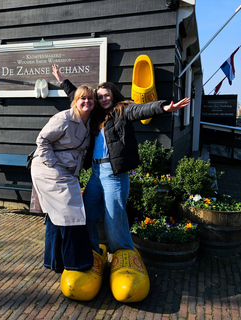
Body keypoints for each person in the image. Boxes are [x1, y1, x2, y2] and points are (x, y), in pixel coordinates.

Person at [52, 64, 190, 302]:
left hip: (113, 172)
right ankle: (93, 252)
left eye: (106, 95)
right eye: (99, 96)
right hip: (95, 171)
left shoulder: (121, 111)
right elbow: (77, 96)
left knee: (114, 213)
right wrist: (62, 80)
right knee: (88, 212)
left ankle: (123, 255)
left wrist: (165, 106)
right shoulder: (96, 115)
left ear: (113, 95)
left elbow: (142, 110)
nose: (102, 98)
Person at [29, 84, 100, 275]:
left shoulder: (88, 121)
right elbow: (42, 140)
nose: (86, 101)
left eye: (90, 98)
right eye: (82, 98)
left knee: (56, 215)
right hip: (48, 168)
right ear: (75, 102)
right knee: (71, 211)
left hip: (67, 171)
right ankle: (77, 263)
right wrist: (54, 165)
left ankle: (55, 261)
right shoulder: (63, 118)